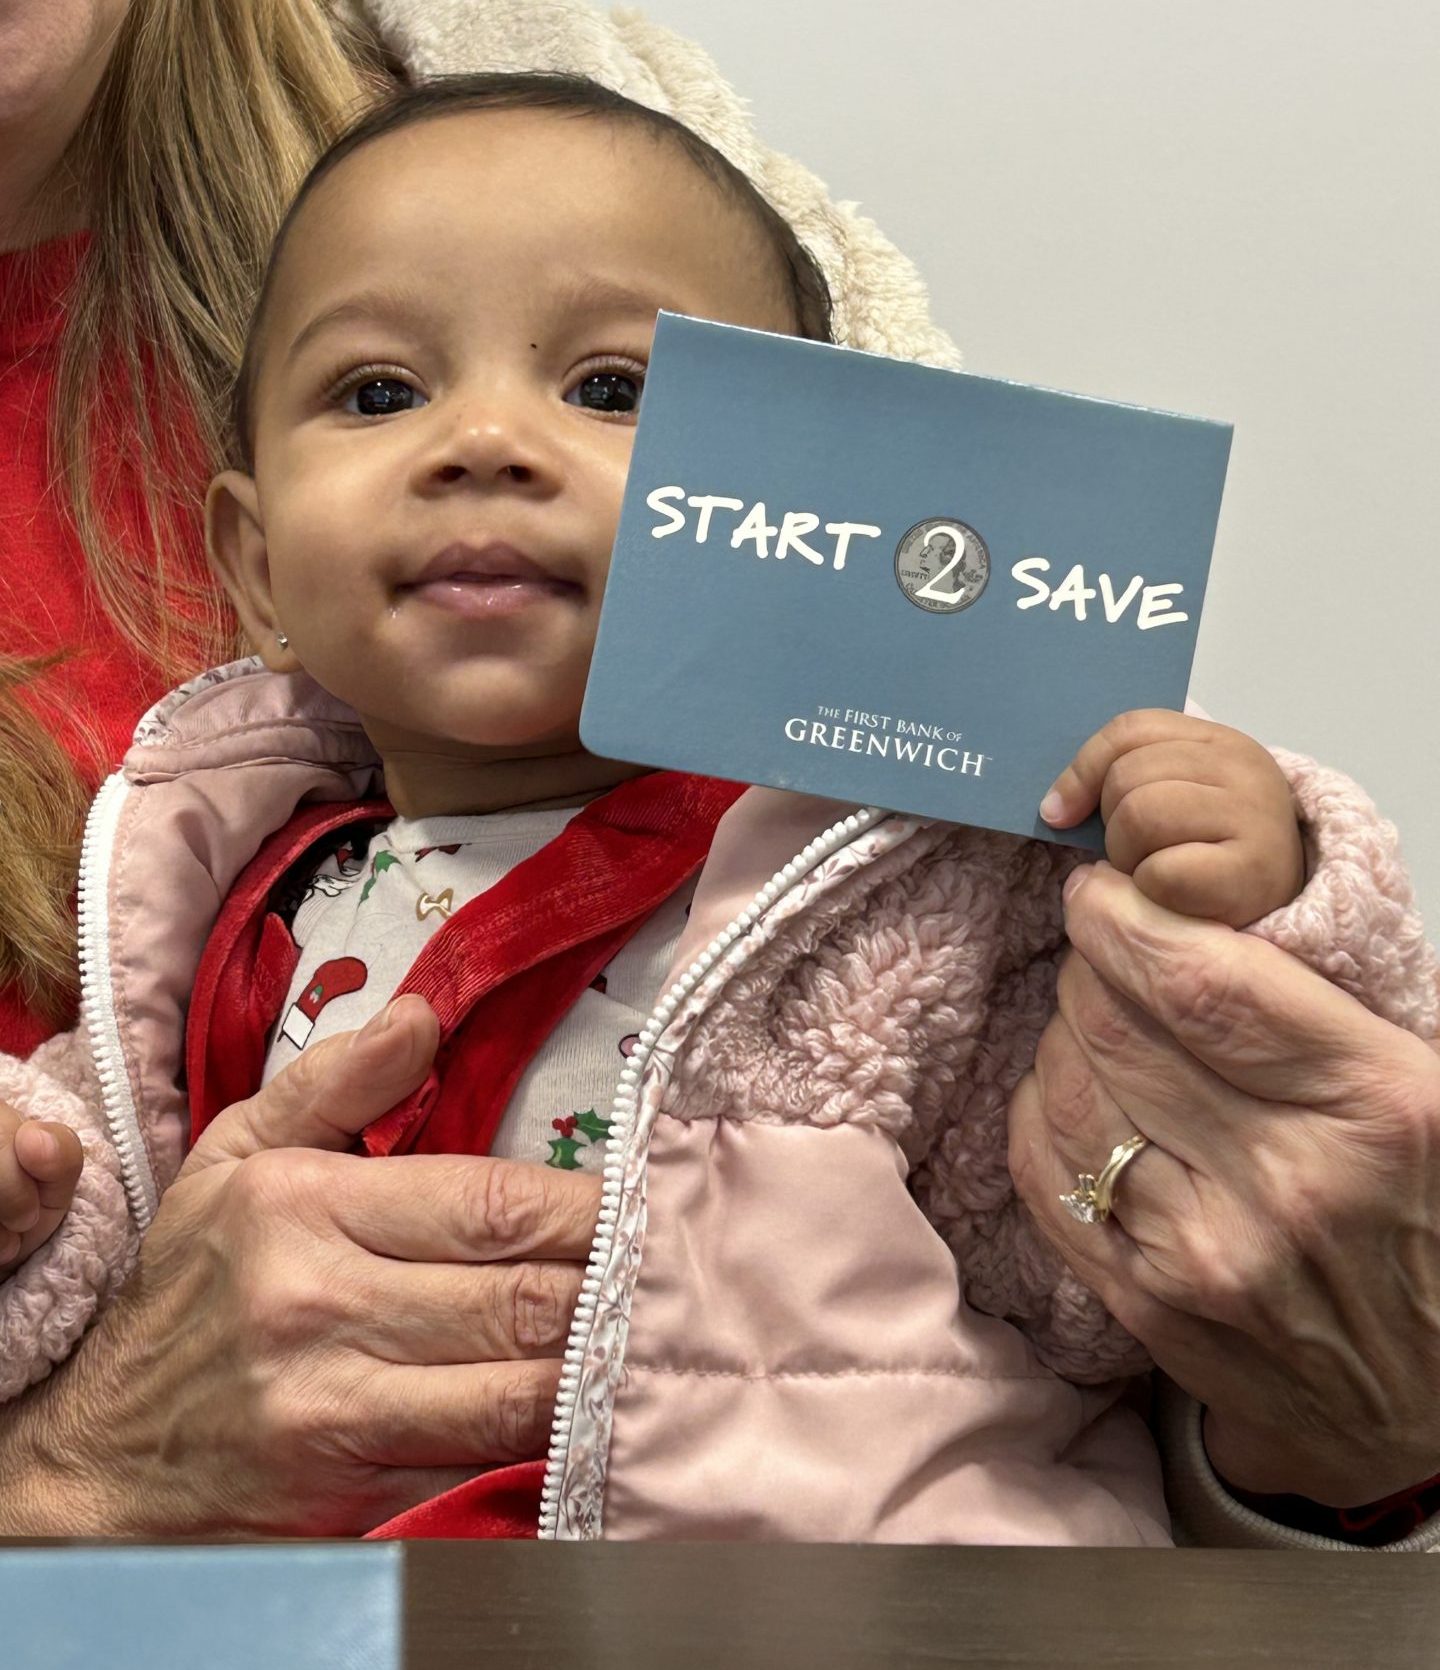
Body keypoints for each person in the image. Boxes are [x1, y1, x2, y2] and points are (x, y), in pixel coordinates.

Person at [0, 0, 1437, 1547]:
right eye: (379, 393)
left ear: (800, 505)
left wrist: (1253, 897)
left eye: (611, 390)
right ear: (253, 564)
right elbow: (86, 1204)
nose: (484, 440)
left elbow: (1171, 1236)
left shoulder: (888, 881)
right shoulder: (214, 900)